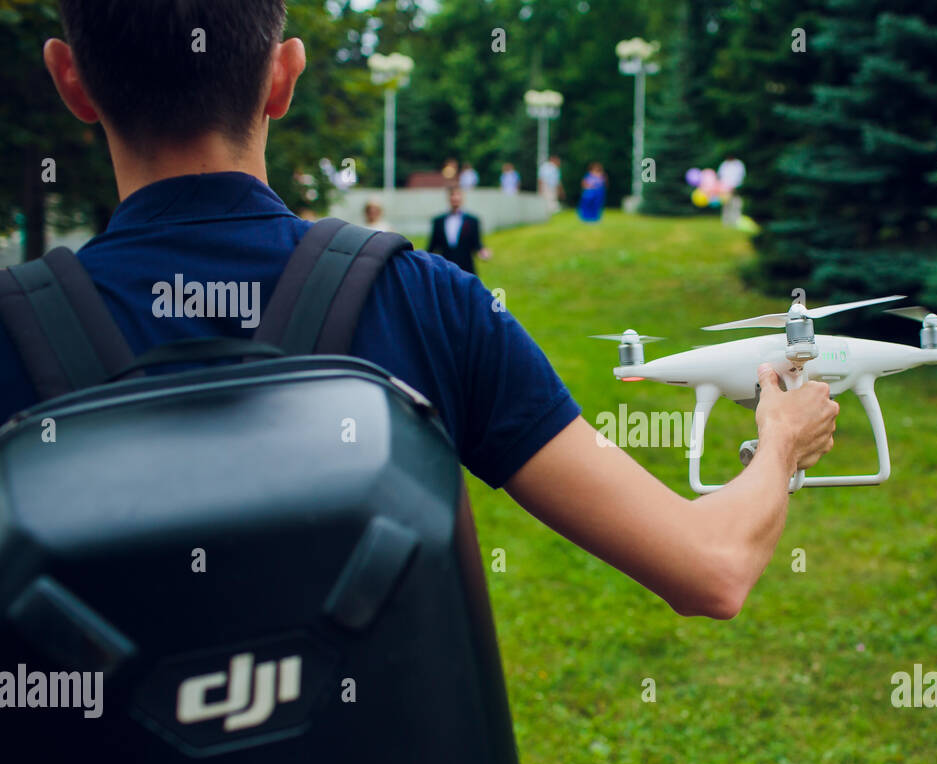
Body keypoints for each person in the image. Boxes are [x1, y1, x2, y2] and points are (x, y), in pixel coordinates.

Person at [2, 0, 840, 620]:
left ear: (70, 80)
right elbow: (711, 565)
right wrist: (780, 443)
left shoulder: (14, 329)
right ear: (284, 75)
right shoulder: (427, 303)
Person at [428, 185, 490, 275]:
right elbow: (432, 246)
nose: (455, 197)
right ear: (448, 198)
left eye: (458, 194)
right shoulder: (438, 221)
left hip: (467, 270)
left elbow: (477, 244)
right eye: (452, 194)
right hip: (445, 270)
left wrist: (483, 252)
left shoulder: (472, 221)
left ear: (463, 197)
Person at [718, 154, 747, 227]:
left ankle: (736, 220)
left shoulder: (738, 164)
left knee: (736, 204)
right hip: (725, 188)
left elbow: (741, 176)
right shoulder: (724, 164)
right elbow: (721, 176)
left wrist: (735, 186)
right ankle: (726, 221)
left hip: (736, 187)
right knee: (726, 204)